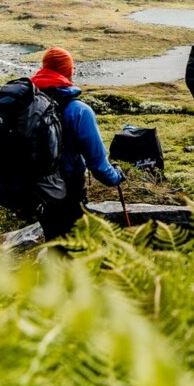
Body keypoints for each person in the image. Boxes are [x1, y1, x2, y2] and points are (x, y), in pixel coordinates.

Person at [30, 46, 125, 240]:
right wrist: (116, 177)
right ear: (68, 71)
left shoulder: (29, 107)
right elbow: (98, 165)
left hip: (36, 189)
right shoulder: (79, 110)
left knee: (54, 240)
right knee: (74, 248)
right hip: (68, 191)